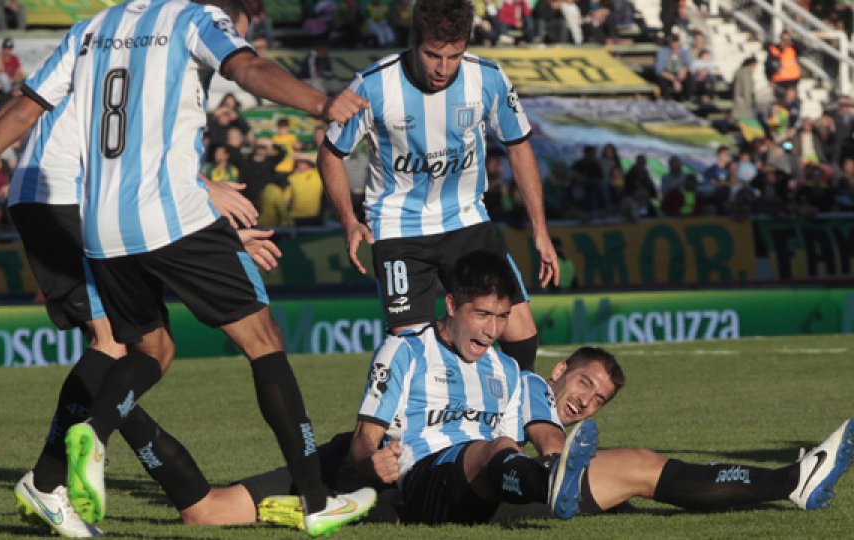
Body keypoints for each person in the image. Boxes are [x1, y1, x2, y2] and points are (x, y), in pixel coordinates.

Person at [0, 0, 374, 537]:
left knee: (146, 348)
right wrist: (321, 103)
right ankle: (315, 500)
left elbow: (25, 110)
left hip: (99, 219)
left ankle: (73, 457)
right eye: (242, 30)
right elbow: (246, 69)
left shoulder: (92, 28)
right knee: (258, 341)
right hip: (98, 203)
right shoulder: (195, 19)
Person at [179, 340, 853, 528]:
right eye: (583, 384)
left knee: (646, 466)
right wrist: (559, 455)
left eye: (598, 399)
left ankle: (792, 481)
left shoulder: (527, 395)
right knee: (510, 453)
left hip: (503, 484)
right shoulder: (529, 386)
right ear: (560, 372)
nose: (585, 400)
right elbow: (544, 435)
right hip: (471, 478)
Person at [261, 250, 598, 527]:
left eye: (502, 317)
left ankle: (555, 482)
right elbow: (364, 438)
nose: (492, 330)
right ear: (451, 305)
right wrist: (371, 462)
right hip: (427, 478)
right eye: (482, 314)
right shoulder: (405, 350)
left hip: (488, 484)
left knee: (621, 467)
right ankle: (549, 482)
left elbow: (511, 451)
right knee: (495, 449)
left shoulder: (506, 368)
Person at [319, 0, 558, 376]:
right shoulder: (373, 85)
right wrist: (350, 221)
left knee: (520, 334)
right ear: (414, 41)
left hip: (466, 221)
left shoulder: (488, 78)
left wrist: (540, 229)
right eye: (433, 55)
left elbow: (519, 146)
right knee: (415, 354)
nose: (443, 69)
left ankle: (510, 411)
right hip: (398, 231)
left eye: (454, 56)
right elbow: (330, 153)